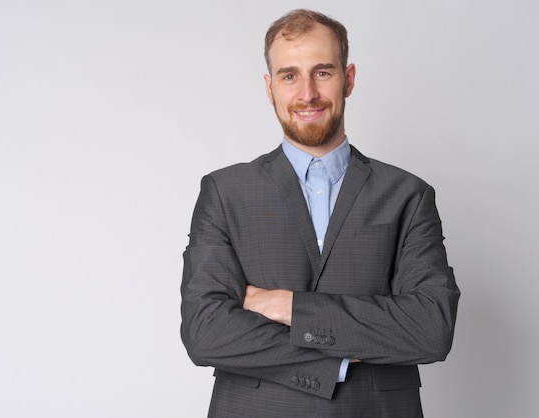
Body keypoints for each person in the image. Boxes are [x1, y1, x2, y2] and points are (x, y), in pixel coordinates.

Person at [180, 8, 460, 418]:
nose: (307, 93)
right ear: (269, 86)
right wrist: (343, 357)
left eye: (322, 73)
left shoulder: (408, 195)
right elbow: (205, 332)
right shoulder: (224, 192)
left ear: (348, 79)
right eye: (289, 75)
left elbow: (430, 329)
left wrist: (290, 307)